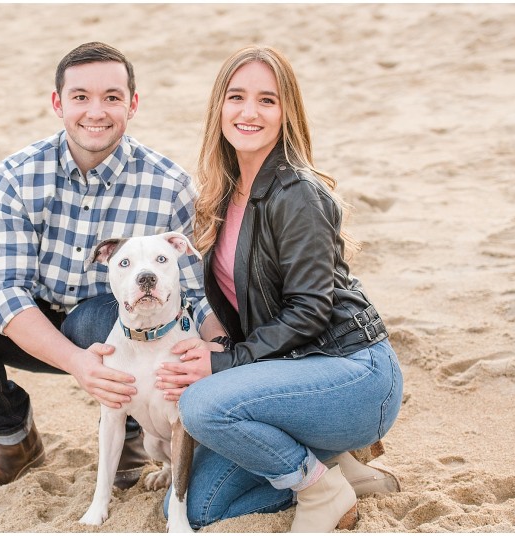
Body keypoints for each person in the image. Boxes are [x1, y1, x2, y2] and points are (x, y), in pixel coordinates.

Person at [0, 42, 217, 489]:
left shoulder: (170, 186)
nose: (95, 111)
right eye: (80, 97)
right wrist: (78, 364)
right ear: (58, 103)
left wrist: (221, 352)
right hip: (34, 317)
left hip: (109, 321)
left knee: (109, 317)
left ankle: (131, 433)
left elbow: (195, 293)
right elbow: (4, 291)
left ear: (132, 105)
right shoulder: (16, 175)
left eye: (112, 97)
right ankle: (13, 437)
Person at [154, 45, 404, 532]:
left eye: (267, 100)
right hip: (292, 373)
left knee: (203, 405)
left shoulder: (297, 192)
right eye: (237, 97)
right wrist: (217, 343)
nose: (249, 112)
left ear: (286, 112)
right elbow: (249, 303)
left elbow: (310, 311)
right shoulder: (225, 192)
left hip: (353, 373)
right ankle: (332, 466)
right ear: (218, 107)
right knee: (197, 509)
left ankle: (322, 490)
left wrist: (222, 364)